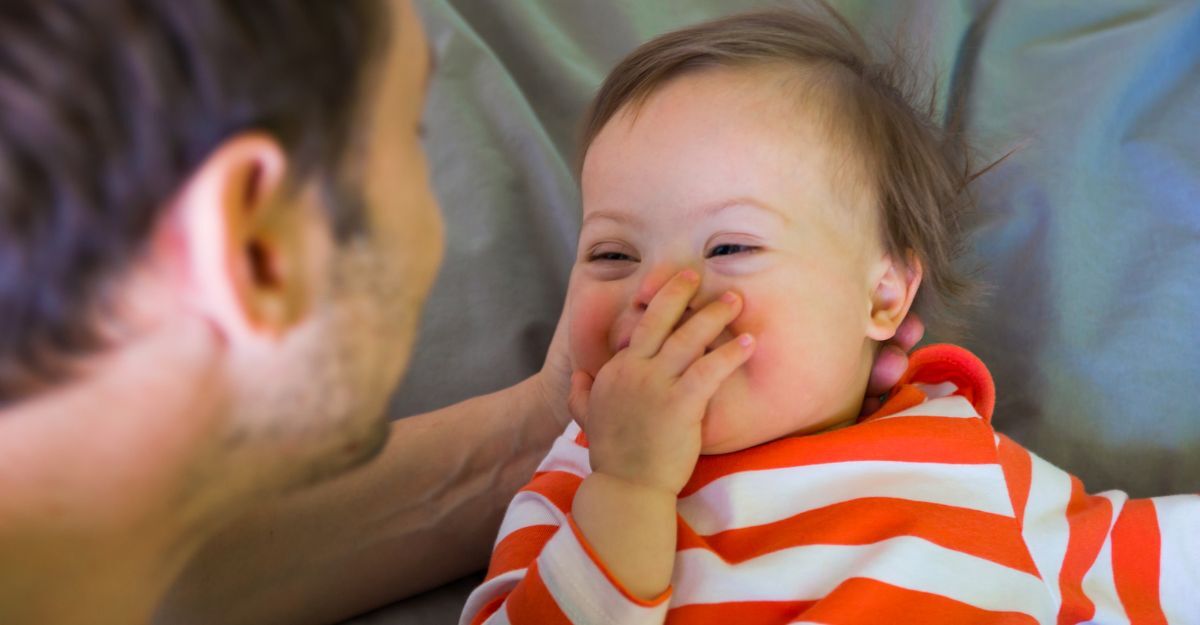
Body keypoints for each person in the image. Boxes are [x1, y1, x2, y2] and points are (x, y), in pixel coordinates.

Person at [0, 2, 921, 625]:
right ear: (254, 249)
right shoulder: (581, 510)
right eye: (413, 135)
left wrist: (544, 422)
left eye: (729, 246)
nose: (654, 292)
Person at [461, 8, 1200, 625]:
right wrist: (628, 488)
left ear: (881, 295)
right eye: (612, 255)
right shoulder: (579, 480)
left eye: (730, 245)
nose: (660, 291)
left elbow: (1126, 557)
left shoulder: (961, 459)